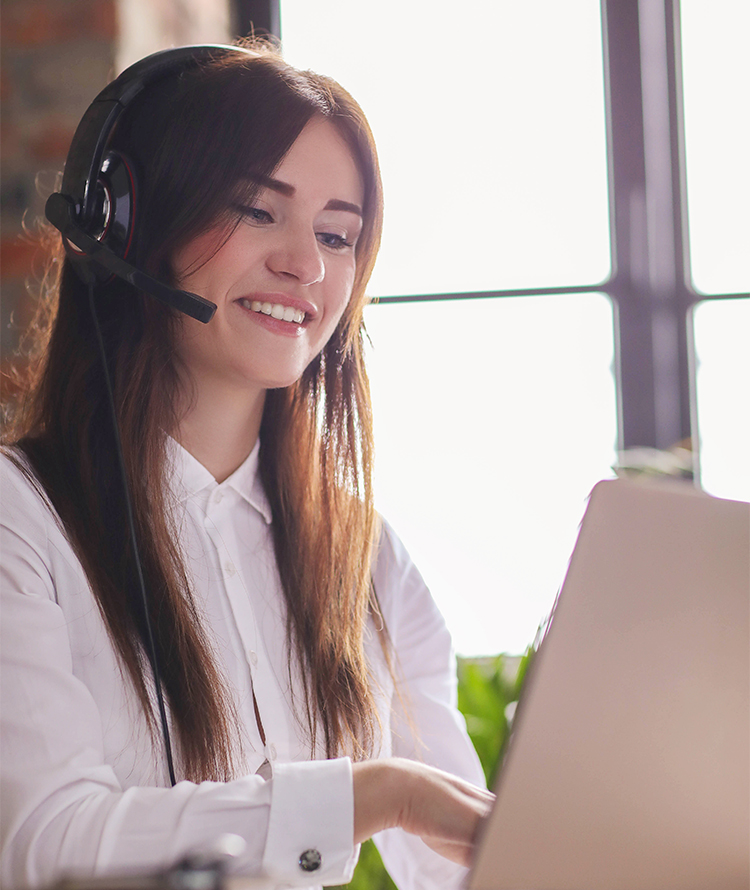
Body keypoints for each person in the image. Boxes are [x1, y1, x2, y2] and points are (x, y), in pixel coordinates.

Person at [0, 41, 491, 890]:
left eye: (337, 235)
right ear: (128, 227)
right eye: (259, 212)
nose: (307, 265)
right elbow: (41, 843)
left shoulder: (370, 562)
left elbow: (469, 870)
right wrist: (375, 797)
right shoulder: (22, 520)